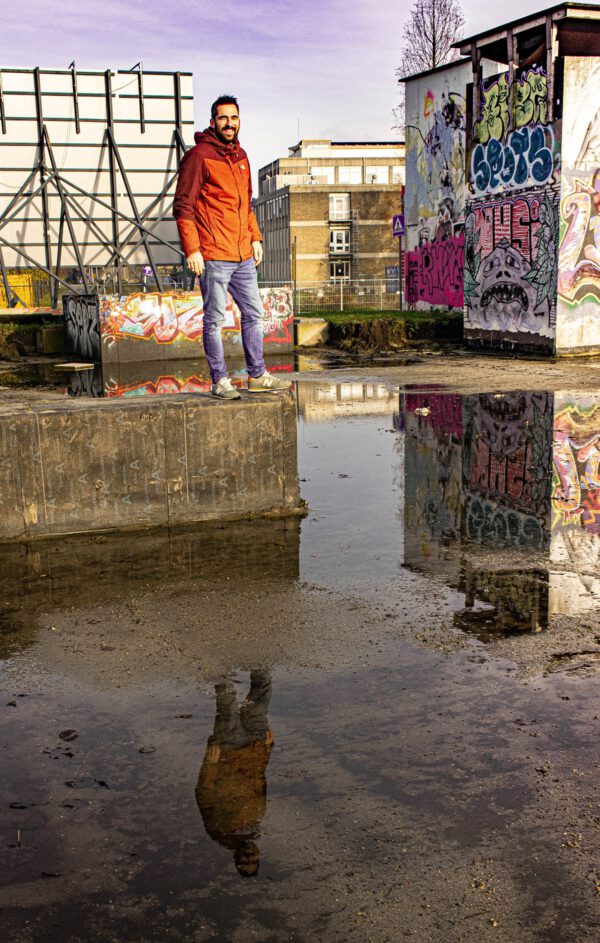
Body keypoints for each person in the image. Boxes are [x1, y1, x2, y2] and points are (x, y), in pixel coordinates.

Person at [173, 95, 292, 399]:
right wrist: (192, 250)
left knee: (254, 314)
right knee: (214, 320)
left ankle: (257, 375)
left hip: (242, 255)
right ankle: (220, 381)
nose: (229, 123)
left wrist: (256, 237)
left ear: (239, 121)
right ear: (213, 122)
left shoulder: (242, 157)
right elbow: (183, 205)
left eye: (234, 118)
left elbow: (246, 204)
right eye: (223, 118)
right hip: (213, 254)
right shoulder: (199, 156)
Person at [196, 671, 274, 876]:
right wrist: (267, 749)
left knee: (226, 698)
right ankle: (258, 655)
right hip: (256, 746)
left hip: (228, 751)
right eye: (253, 860)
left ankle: (218, 657)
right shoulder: (256, 824)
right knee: (262, 691)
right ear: (258, 855)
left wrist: (210, 763)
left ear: (236, 859)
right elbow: (259, 780)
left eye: (244, 861)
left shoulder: (220, 831)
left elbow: (204, 794)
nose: (249, 856)